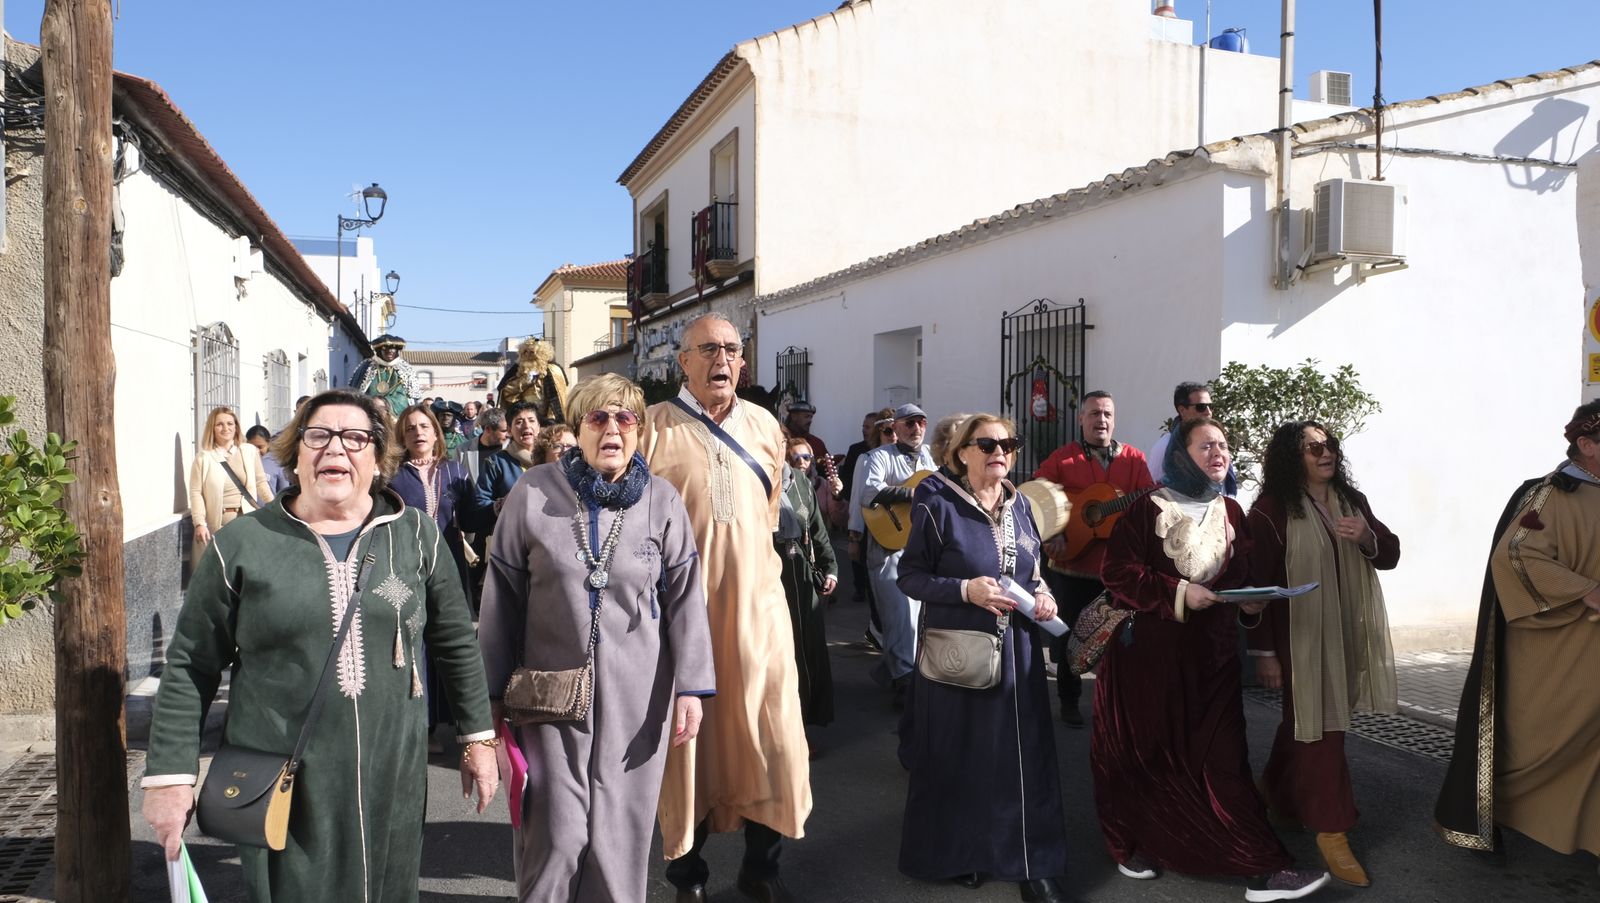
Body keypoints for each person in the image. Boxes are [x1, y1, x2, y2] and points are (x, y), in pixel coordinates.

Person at [143, 389, 498, 902]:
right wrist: (170, 778)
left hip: (390, 771)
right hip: (280, 776)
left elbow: (455, 639)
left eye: (355, 438)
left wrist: (477, 738)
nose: (336, 449)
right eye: (319, 436)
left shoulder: (415, 535)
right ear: (296, 453)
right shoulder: (242, 544)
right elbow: (190, 665)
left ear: (378, 458)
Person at [478, 374, 715, 902]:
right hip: (548, 694)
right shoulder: (533, 491)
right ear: (578, 428)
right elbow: (501, 601)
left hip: (638, 701)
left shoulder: (662, 499)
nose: (613, 428)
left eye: (626, 418)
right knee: (557, 836)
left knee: (619, 839)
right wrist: (488, 700)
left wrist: (693, 689)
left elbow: (685, 600)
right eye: (598, 418)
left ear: (639, 430)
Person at [1092, 417, 1329, 901]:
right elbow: (1117, 574)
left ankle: (1266, 868)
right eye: (1206, 446)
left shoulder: (1232, 512)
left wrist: (1249, 602)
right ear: (1181, 454)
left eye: (1223, 445)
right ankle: (1131, 842)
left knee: (1224, 760)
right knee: (1146, 758)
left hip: (1213, 661)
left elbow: (1240, 572)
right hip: (1149, 661)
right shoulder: (1146, 508)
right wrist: (1179, 592)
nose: (1218, 453)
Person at [640, 313, 811, 903]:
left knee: (772, 736)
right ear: (681, 362)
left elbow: (766, 520)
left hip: (759, 616)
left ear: (742, 362)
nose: (721, 358)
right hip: (681, 619)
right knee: (689, 746)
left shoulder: (764, 425)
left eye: (731, 349)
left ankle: (762, 867)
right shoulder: (652, 428)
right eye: (707, 348)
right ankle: (687, 874)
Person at [897, 414, 1070, 901]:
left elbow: (1032, 570)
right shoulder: (936, 504)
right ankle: (959, 853)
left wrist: (1043, 592)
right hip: (959, 649)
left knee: (1024, 757)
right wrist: (965, 589)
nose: (1000, 451)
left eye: (1008, 443)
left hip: (1018, 650)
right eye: (988, 443)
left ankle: (1034, 866)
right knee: (961, 756)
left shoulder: (1022, 507)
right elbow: (910, 577)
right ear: (962, 453)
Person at [1436, 399, 1600, 860]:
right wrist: (1587, 590)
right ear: (1586, 445)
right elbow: (1515, 556)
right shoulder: (1551, 495)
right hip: (1559, 651)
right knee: (1547, 747)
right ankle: (1487, 808)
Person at [1247, 422, 1400, 887]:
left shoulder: (1352, 500)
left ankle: (1276, 792)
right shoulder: (1271, 509)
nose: (1324, 452)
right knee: (1325, 729)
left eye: (1328, 444)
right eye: (1312, 447)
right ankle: (1334, 831)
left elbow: (1389, 553)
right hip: (1299, 640)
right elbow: (1260, 586)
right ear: (1293, 458)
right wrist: (1265, 653)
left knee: (1306, 722)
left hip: (1344, 635)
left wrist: (1368, 539)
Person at [1033, 390, 1154, 726]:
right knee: (1070, 637)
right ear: (1081, 419)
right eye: (1095, 413)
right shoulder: (1062, 459)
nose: (1102, 420)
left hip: (1118, 570)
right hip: (1072, 567)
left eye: (1108, 414)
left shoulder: (1134, 460)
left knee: (1118, 641)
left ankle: (1112, 706)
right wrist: (1053, 533)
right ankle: (1069, 700)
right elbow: (1035, 498)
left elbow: (1147, 505)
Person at [392, 403, 480, 728]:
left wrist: (499, 507)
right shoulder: (392, 475)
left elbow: (471, 518)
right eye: (411, 428)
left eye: (424, 427)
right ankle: (422, 721)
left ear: (435, 433)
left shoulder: (455, 471)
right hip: (406, 566)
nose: (418, 433)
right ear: (402, 435)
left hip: (450, 566)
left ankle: (453, 718)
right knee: (416, 641)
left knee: (451, 639)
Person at [852, 403, 938, 707]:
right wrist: (910, 495)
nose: (916, 428)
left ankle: (902, 675)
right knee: (899, 614)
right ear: (896, 427)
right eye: (909, 423)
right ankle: (904, 682)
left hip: (922, 546)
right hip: (888, 543)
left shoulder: (932, 458)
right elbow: (868, 493)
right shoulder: (878, 457)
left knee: (918, 617)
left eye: (921, 422)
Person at [778, 438, 838, 735]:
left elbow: (817, 529)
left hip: (802, 576)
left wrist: (831, 568)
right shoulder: (749, 481)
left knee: (807, 648)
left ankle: (803, 725)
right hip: (766, 577)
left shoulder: (800, 481)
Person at [189, 406, 273, 549]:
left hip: (247, 521)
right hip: (218, 525)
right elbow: (196, 492)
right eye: (219, 424)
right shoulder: (204, 458)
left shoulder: (249, 451)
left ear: (236, 427)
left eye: (230, 423)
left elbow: (261, 482)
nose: (225, 428)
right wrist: (199, 523)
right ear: (212, 428)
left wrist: (274, 506)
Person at [1149, 382, 1239, 495]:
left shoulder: (1217, 437)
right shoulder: (1165, 445)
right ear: (1182, 410)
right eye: (1201, 407)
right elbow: (1155, 486)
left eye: (1211, 406)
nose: (1208, 412)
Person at [842, 409, 894, 605]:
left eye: (897, 430)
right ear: (879, 433)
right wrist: (853, 537)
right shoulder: (866, 458)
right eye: (888, 431)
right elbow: (856, 498)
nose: (894, 436)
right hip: (873, 529)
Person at [470, 401, 541, 537]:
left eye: (531, 420)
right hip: (512, 537)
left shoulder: (550, 459)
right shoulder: (497, 462)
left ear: (539, 426)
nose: (526, 425)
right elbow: (480, 501)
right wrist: (501, 505)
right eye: (519, 422)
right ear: (509, 430)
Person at [498, 336, 571, 426]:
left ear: (541, 354)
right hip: (526, 418)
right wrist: (525, 381)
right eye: (525, 352)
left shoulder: (553, 370)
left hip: (547, 421)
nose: (528, 355)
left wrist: (551, 422)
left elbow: (558, 398)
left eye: (532, 352)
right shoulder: (518, 371)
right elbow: (507, 393)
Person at [351, 334, 421, 414]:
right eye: (386, 348)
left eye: (393, 348)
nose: (390, 351)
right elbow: (356, 394)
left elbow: (406, 399)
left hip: (396, 417)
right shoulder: (366, 367)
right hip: (370, 413)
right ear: (379, 350)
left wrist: (386, 403)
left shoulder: (405, 369)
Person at [461, 407, 507, 483]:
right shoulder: (462, 451)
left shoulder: (512, 449)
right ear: (488, 429)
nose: (508, 434)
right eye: (504, 431)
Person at [245, 425, 292, 496]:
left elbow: (284, 493)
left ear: (268, 444)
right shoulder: (242, 461)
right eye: (253, 447)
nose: (256, 451)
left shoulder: (277, 463)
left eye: (260, 447)